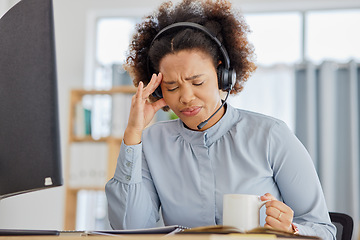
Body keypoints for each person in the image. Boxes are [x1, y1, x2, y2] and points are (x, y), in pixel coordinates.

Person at [105, 0, 336, 239]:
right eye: (171, 87)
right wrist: (133, 136)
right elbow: (129, 228)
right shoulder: (152, 143)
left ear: (223, 75)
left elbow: (325, 231)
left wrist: (291, 229)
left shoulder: (271, 135)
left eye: (197, 82)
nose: (186, 97)